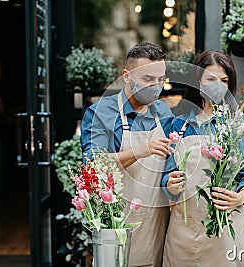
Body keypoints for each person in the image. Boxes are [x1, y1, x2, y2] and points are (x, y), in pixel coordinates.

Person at [161, 50, 244, 267]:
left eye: (224, 80)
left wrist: (240, 197)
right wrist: (171, 185)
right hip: (184, 229)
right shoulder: (178, 126)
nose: (217, 86)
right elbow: (166, 179)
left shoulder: (237, 125)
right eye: (211, 79)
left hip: (225, 226)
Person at [81, 42, 174, 267]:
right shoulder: (101, 113)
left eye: (160, 80)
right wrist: (142, 150)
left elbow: (171, 165)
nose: (155, 86)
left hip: (157, 224)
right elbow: (94, 164)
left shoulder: (164, 112)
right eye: (147, 79)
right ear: (127, 76)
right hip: (117, 224)